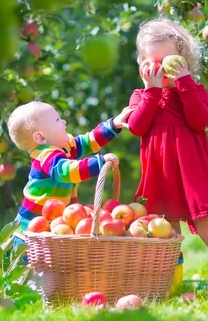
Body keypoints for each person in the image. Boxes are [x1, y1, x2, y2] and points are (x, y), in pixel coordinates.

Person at [127, 17, 208, 294]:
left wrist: (184, 82)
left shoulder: (193, 90)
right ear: (142, 64)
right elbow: (136, 126)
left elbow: (199, 120)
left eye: (168, 60)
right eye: (152, 61)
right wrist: (152, 91)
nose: (161, 67)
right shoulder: (141, 96)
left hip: (192, 175)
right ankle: (173, 289)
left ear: (184, 58)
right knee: (164, 232)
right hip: (160, 175)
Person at [7, 101, 131, 246]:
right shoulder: (45, 156)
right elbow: (68, 171)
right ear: (41, 137)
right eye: (57, 120)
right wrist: (99, 163)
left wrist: (112, 126)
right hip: (28, 233)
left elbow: (86, 142)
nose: (64, 122)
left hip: (48, 230)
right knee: (32, 268)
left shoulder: (63, 148)